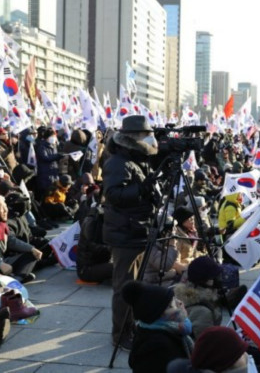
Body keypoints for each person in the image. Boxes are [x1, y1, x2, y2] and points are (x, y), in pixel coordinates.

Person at [102, 115, 159, 349]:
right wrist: (141, 188)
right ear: (133, 138)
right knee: (124, 287)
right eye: (145, 134)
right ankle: (120, 335)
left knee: (135, 284)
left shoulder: (136, 159)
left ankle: (131, 325)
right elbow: (114, 196)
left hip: (136, 229)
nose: (149, 138)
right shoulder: (118, 162)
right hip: (125, 232)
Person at [122, 281, 193, 373]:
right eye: (171, 305)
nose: (179, 303)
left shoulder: (168, 328)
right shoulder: (158, 347)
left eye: (175, 299)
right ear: (158, 315)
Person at [173, 256, 223, 339]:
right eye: (214, 277)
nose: (217, 280)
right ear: (206, 281)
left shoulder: (181, 297)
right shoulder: (203, 312)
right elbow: (205, 345)